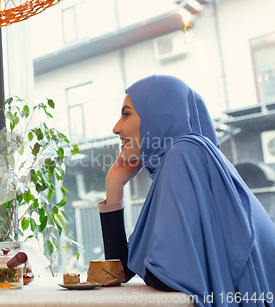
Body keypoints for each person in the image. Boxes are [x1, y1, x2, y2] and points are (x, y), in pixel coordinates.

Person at [99, 75, 275, 306]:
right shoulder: (184, 158)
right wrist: (114, 185)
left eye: (126, 114)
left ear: (159, 115)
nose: (116, 128)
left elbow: (168, 277)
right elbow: (120, 270)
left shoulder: (183, 152)